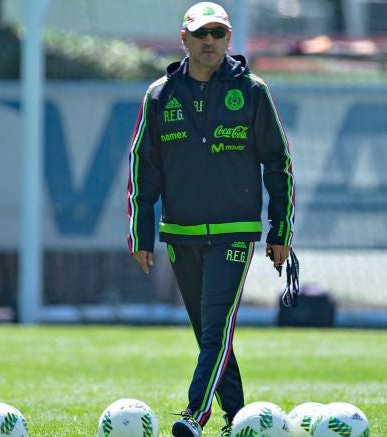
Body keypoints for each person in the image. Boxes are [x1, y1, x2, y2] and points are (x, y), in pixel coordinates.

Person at [126, 2, 295, 436]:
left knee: (217, 324)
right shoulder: (160, 95)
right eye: (201, 34)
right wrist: (142, 233)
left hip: (234, 231)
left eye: (218, 33)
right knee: (210, 335)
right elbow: (144, 168)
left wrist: (280, 230)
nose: (209, 41)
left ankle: (192, 416)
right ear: (184, 39)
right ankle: (237, 418)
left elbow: (279, 164)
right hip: (179, 233)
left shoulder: (253, 91)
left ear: (228, 39)